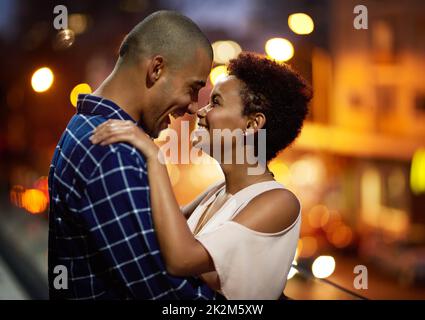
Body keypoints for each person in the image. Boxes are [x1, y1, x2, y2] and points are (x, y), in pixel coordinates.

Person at [90, 52, 312, 299]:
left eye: (215, 102)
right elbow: (159, 226)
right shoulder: (219, 189)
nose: (201, 111)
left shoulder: (279, 202)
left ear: (251, 125)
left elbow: (181, 259)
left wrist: (155, 158)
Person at [48, 11, 216, 299]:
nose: (191, 107)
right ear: (156, 70)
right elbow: (164, 293)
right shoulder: (112, 150)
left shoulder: (85, 125)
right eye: (193, 89)